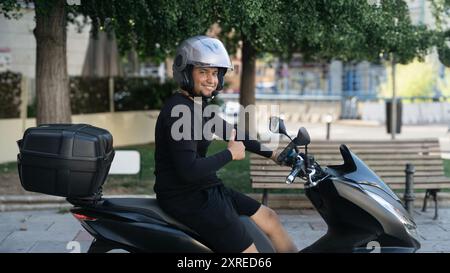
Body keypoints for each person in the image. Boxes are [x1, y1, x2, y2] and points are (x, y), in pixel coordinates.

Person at [153, 35, 298, 253]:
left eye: (214, 73)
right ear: (185, 71)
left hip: (205, 188)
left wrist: (274, 154)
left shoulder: (197, 106)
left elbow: (234, 134)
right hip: (185, 198)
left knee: (270, 218)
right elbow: (188, 170)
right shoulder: (178, 111)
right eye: (203, 72)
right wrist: (230, 154)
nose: (211, 79)